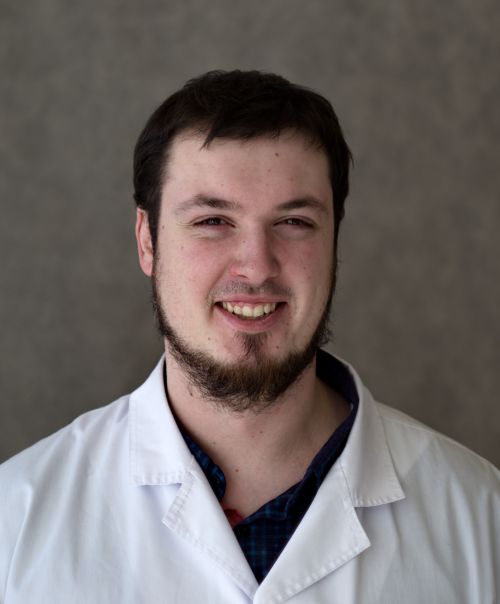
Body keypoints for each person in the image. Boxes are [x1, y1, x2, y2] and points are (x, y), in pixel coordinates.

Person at [0, 70, 498, 604]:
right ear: (147, 241)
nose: (257, 267)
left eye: (294, 222)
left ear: (334, 241)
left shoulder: (482, 518)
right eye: (213, 221)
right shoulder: (15, 519)